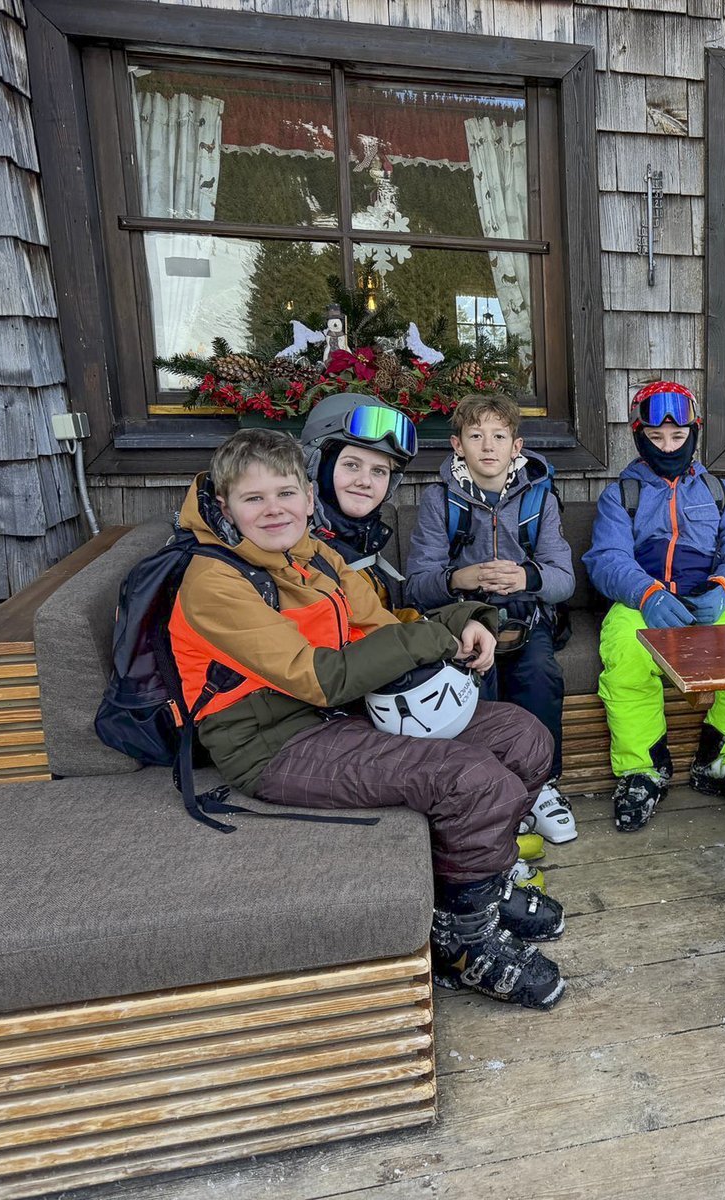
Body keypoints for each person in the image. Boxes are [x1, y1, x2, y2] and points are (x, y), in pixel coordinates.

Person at [167, 428, 566, 1010]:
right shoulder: (214, 582)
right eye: (254, 499)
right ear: (225, 507)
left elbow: (381, 623)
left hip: (346, 712)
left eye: (285, 493)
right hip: (273, 742)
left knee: (523, 738)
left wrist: (461, 620)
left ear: (308, 497)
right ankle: (462, 944)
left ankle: (477, 889)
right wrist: (432, 639)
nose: (274, 509)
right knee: (470, 778)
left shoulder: (314, 556)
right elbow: (318, 676)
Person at [583, 381, 725, 832]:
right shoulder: (621, 494)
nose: (668, 446)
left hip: (708, 598)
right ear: (639, 436)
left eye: (678, 436)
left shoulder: (719, 491)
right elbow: (607, 557)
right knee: (626, 655)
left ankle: (722, 759)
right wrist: (646, 594)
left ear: (694, 432)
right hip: (643, 601)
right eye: (656, 437)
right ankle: (642, 770)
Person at [404, 393, 578, 844]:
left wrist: (525, 577)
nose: (488, 446)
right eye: (475, 435)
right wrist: (459, 578)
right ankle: (491, 789)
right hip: (463, 616)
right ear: (457, 445)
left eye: (499, 436)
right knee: (476, 680)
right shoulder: (440, 501)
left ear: (516, 446)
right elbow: (416, 586)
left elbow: (564, 580)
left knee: (538, 674)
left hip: (524, 615)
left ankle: (542, 784)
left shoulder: (539, 498)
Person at [300, 394, 416, 614]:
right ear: (318, 466)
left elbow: (381, 621)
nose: (365, 481)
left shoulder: (358, 540)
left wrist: (460, 619)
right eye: (352, 465)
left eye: (379, 471)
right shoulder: (297, 552)